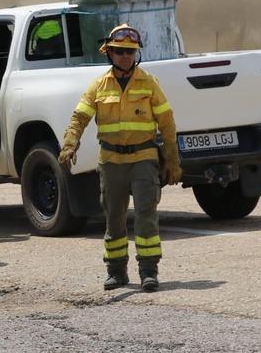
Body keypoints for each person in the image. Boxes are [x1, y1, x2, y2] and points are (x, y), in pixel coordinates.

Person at [59, 24, 181, 292]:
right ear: (110, 54)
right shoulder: (99, 86)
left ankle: (149, 271)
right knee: (114, 217)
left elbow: (167, 121)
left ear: (136, 54)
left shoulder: (148, 83)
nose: (125, 56)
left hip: (144, 158)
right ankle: (116, 272)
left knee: (146, 215)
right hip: (111, 161)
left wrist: (172, 159)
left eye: (130, 52)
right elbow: (79, 118)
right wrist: (69, 145)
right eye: (120, 52)